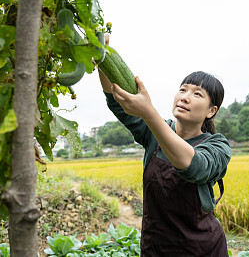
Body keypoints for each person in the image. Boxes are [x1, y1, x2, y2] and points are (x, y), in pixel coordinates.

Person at [97, 36, 231, 256]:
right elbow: (116, 98)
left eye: (197, 94)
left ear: (211, 111)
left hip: (201, 249)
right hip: (156, 247)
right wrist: (100, 54)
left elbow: (193, 165)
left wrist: (149, 113)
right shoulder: (154, 132)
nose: (185, 97)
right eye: (183, 90)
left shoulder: (217, 146)